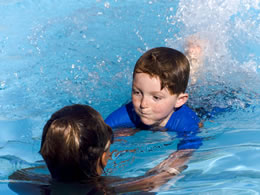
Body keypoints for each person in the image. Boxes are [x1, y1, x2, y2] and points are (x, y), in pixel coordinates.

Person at [9, 104, 189, 194]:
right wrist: (182, 155)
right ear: (104, 158)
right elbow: (155, 181)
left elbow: (15, 177)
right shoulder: (110, 189)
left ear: (45, 154)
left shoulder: (31, 186)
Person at [105, 47, 202, 180]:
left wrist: (168, 170)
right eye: (137, 92)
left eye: (156, 97)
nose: (143, 104)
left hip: (200, 106)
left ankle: (193, 59)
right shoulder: (128, 113)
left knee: (195, 89)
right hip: (170, 97)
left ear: (180, 100)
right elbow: (100, 133)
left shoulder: (185, 121)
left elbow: (188, 149)